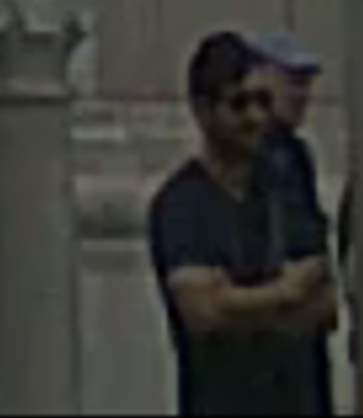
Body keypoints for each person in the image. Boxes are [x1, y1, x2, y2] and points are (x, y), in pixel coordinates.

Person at [145, 30, 341, 418]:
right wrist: (283, 294)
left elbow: (324, 303)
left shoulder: (283, 189)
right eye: (238, 104)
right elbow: (201, 311)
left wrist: (240, 301)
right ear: (203, 111)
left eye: (263, 101)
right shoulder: (183, 203)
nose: (255, 117)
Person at [247, 35, 342, 397]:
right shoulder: (253, 156)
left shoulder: (296, 154)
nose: (302, 95)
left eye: (305, 84)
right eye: (293, 81)